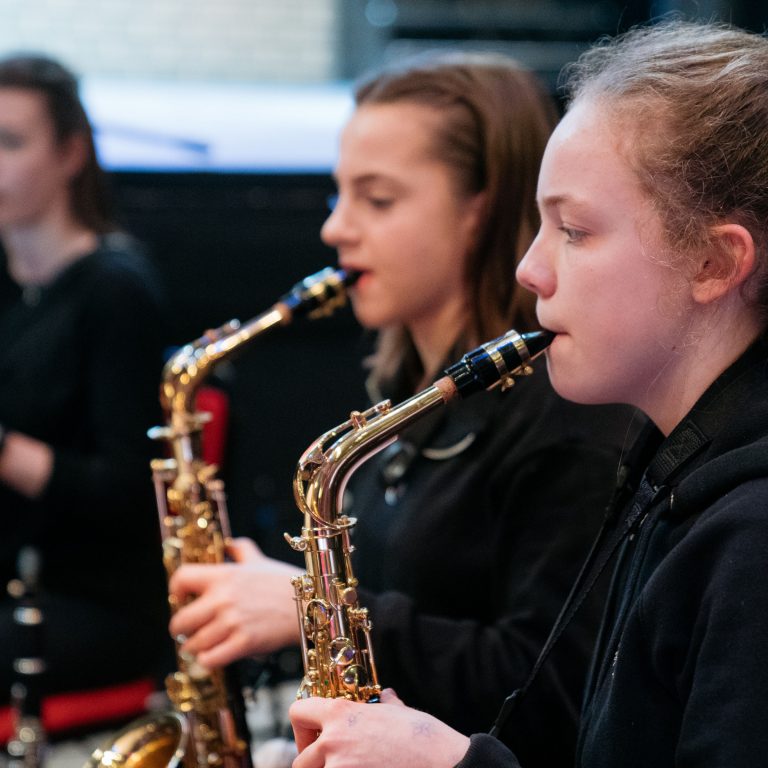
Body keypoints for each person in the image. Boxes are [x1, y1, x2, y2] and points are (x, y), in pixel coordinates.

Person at [280, 18, 768, 768]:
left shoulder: (749, 537)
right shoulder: (670, 466)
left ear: (713, 260)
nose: (530, 270)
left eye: (573, 230)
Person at [169, 52, 636, 766]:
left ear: (481, 209)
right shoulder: (418, 397)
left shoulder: (566, 418)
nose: (335, 229)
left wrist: (299, 610)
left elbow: (554, 694)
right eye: (339, 193)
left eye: (378, 199)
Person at [0, 54, 172, 700]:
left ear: (71, 154)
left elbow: (127, 495)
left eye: (10, 142)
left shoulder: (116, 290)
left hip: (91, 599)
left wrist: (5, 452)